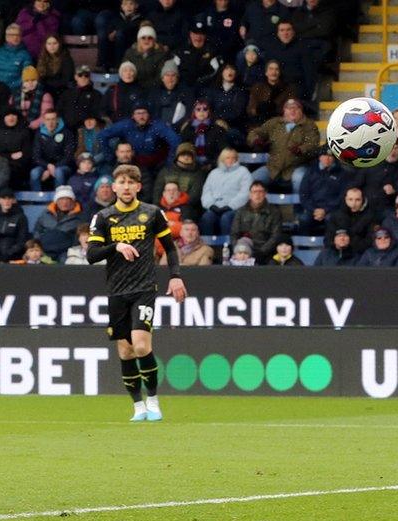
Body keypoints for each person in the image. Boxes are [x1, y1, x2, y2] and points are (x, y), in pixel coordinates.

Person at [87, 164, 187, 422]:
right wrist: (116, 246)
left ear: (138, 186)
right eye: (122, 181)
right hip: (117, 290)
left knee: (141, 345)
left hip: (144, 287)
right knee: (125, 351)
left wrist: (175, 277)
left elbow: (170, 248)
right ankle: (137, 406)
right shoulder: (103, 217)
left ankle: (152, 399)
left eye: (132, 182)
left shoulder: (152, 213)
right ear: (114, 187)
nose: (127, 186)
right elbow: (91, 255)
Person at [247, 99, 318, 194]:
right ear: (284, 110)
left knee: (299, 179)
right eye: (289, 108)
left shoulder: (309, 125)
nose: (292, 111)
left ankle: (299, 207)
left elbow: (313, 143)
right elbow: (255, 132)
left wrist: (300, 149)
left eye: (295, 108)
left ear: (301, 110)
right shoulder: (275, 123)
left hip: (296, 167)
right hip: (273, 168)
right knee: (251, 180)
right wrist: (256, 140)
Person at [200, 148, 252, 235]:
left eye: (233, 158)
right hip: (215, 207)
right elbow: (206, 192)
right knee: (207, 217)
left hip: (234, 209)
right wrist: (211, 206)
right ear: (222, 159)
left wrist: (230, 206)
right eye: (228, 157)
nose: (231, 160)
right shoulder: (213, 173)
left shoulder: (243, 172)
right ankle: (208, 246)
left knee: (226, 218)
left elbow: (245, 193)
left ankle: (227, 246)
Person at [231, 181, 285, 264]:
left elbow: (275, 236)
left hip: (265, 253)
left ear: (265, 194)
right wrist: (238, 250)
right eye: (254, 192)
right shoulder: (241, 212)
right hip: (243, 251)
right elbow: (234, 234)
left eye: (260, 192)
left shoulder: (274, 212)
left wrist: (262, 252)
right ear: (250, 194)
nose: (257, 195)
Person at [34, 185, 83, 261]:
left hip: (66, 252)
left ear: (73, 201)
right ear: (56, 201)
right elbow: (37, 231)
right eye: (61, 199)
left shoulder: (80, 217)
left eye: (68, 199)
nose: (65, 202)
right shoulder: (45, 214)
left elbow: (80, 236)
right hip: (44, 249)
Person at [31, 109, 76, 190]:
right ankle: (36, 201)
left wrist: (54, 167)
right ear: (44, 121)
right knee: (34, 173)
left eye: (53, 119)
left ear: (58, 120)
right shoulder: (39, 134)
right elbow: (36, 156)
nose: (50, 122)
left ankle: (58, 200)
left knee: (58, 172)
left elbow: (69, 156)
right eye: (48, 119)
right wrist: (48, 166)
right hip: (45, 166)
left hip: (63, 166)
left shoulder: (67, 133)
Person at [325, 187, 376, 256]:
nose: (353, 203)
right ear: (346, 200)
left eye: (357, 200)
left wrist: (349, 244)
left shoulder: (370, 216)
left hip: (359, 254)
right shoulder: (336, 216)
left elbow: (370, 240)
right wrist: (336, 245)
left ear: (363, 200)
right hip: (337, 253)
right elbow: (328, 239)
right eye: (350, 199)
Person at [0, 189, 29, 262]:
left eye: (9, 198)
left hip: (13, 254)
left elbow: (22, 240)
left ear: (13, 200)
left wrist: (9, 253)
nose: (7, 201)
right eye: (4, 198)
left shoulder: (20, 217)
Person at [0, 24, 33, 92]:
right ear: (6, 37)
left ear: (21, 37)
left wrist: (11, 87)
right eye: (12, 35)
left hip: (15, 90)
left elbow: (26, 76)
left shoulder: (26, 55)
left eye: (18, 35)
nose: (15, 38)